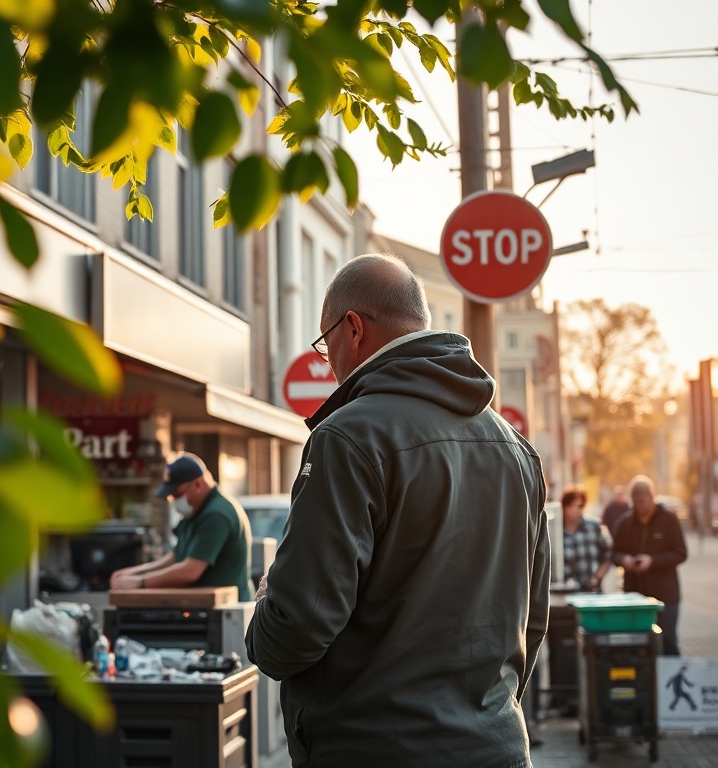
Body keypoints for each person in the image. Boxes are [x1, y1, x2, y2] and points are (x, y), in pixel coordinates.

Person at [245, 253, 550, 767]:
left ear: (354, 329)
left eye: (325, 344)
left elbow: (295, 630)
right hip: (496, 747)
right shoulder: (514, 447)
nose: (327, 361)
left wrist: (264, 608)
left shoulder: (348, 436)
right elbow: (531, 618)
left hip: (376, 748)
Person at [109, 453, 253, 601]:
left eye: (177, 494)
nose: (174, 500)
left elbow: (190, 570)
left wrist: (141, 582)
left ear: (197, 484)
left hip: (227, 611)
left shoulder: (216, 514)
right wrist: (135, 573)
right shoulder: (196, 511)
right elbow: (176, 558)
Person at [611, 475, 688, 656]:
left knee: (668, 641)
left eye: (643, 501)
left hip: (665, 596)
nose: (640, 506)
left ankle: (671, 682)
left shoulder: (669, 520)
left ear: (652, 497)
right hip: (634, 596)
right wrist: (624, 560)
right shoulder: (625, 523)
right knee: (637, 645)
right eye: (636, 502)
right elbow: (614, 554)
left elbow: (681, 553)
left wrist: (652, 562)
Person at [560, 485, 612, 591]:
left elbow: (608, 554)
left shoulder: (594, 526)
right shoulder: (555, 530)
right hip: (563, 593)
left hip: (591, 593)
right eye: (572, 506)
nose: (576, 510)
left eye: (580, 506)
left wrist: (597, 577)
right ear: (565, 507)